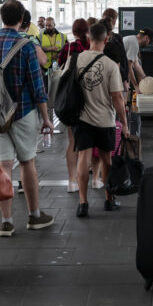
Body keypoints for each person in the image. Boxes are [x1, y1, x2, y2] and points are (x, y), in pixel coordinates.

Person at [0, 0, 55, 235]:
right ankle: (34, 216)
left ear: (1, 18)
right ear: (22, 19)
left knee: (3, 165)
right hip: (23, 112)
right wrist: (46, 118)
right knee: (27, 162)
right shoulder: (26, 46)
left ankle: (6, 221)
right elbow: (38, 87)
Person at [72, 22, 133, 217]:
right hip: (105, 120)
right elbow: (117, 98)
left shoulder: (75, 60)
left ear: (88, 38)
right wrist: (124, 123)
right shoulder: (110, 65)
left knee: (83, 158)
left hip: (81, 119)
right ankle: (109, 199)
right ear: (106, 39)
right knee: (107, 160)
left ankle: (83, 203)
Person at [58, 18, 90, 193]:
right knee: (87, 141)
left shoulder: (68, 47)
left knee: (72, 141)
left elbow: (60, 65)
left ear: (74, 31)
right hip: (89, 98)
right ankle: (91, 178)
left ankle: (71, 181)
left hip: (70, 98)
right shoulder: (91, 48)